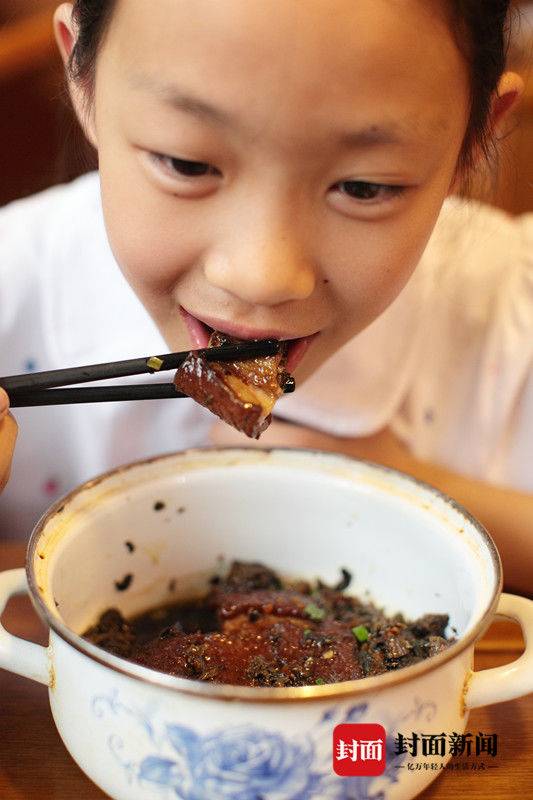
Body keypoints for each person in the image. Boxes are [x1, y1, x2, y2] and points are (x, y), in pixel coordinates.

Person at [0, 1, 531, 595]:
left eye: (365, 186)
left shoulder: (511, 314)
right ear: (85, 77)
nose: (262, 276)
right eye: (187, 162)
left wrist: (405, 482)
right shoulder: (12, 291)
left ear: (474, 136)